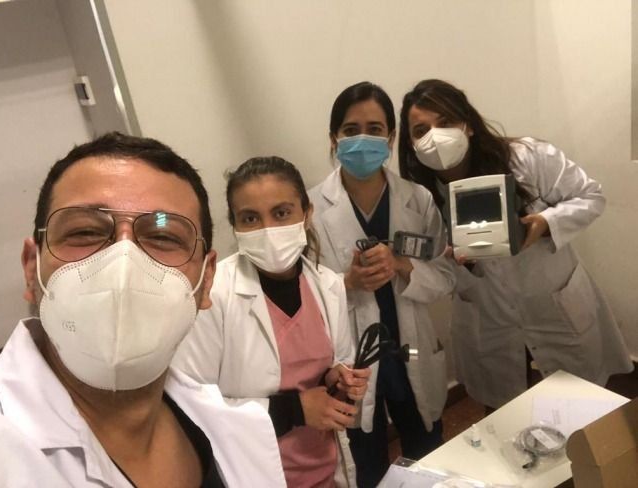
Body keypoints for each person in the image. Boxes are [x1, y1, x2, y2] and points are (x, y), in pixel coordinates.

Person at [0, 132, 286, 487]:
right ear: (31, 267)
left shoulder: (238, 433)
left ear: (206, 280)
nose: (124, 264)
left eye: (162, 236)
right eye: (84, 232)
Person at [398, 79, 633, 410]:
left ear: (468, 125)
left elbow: (591, 196)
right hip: (489, 322)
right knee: (505, 415)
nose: (435, 137)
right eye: (421, 130)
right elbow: (435, 270)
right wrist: (448, 260)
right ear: (411, 144)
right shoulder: (421, 199)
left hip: (555, 308)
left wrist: (546, 224)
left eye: (446, 121)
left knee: (580, 410)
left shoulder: (528, 158)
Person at [174, 156, 370, 488]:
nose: (267, 230)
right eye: (250, 218)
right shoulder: (212, 294)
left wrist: (339, 379)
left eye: (281, 213)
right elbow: (191, 406)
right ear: (235, 225)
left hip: (324, 464)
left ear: (306, 214)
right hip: (252, 474)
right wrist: (293, 410)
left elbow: (336, 363)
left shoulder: (328, 285)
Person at [308, 82, 456, 487]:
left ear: (390, 138)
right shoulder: (311, 209)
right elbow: (304, 296)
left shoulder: (418, 200)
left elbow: (445, 276)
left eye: (374, 129)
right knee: (365, 463)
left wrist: (403, 265)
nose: (363, 139)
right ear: (334, 138)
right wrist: (347, 283)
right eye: (351, 129)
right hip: (353, 359)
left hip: (411, 348)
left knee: (428, 452)